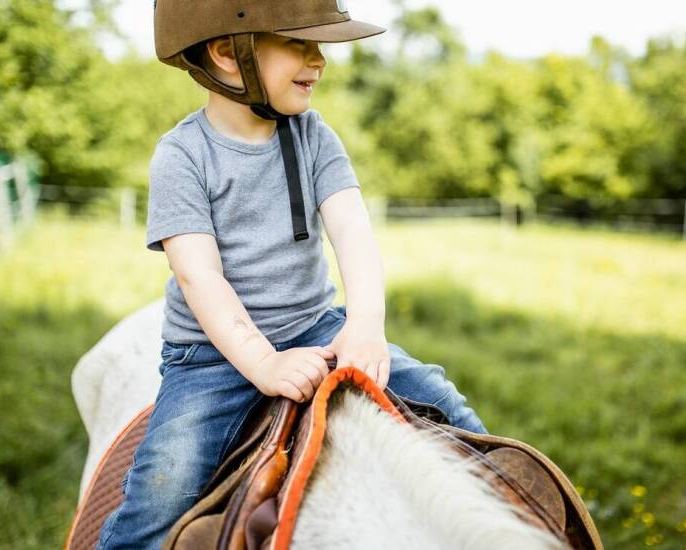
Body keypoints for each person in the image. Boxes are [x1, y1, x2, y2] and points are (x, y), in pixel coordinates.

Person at [96, 1, 486, 548]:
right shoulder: (182, 156)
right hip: (211, 354)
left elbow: (352, 230)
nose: (319, 60)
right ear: (228, 52)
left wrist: (365, 323)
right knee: (165, 488)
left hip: (314, 325)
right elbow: (199, 277)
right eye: (300, 42)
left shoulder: (313, 134)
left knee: (441, 400)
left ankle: (502, 519)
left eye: (320, 45)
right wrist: (263, 362)